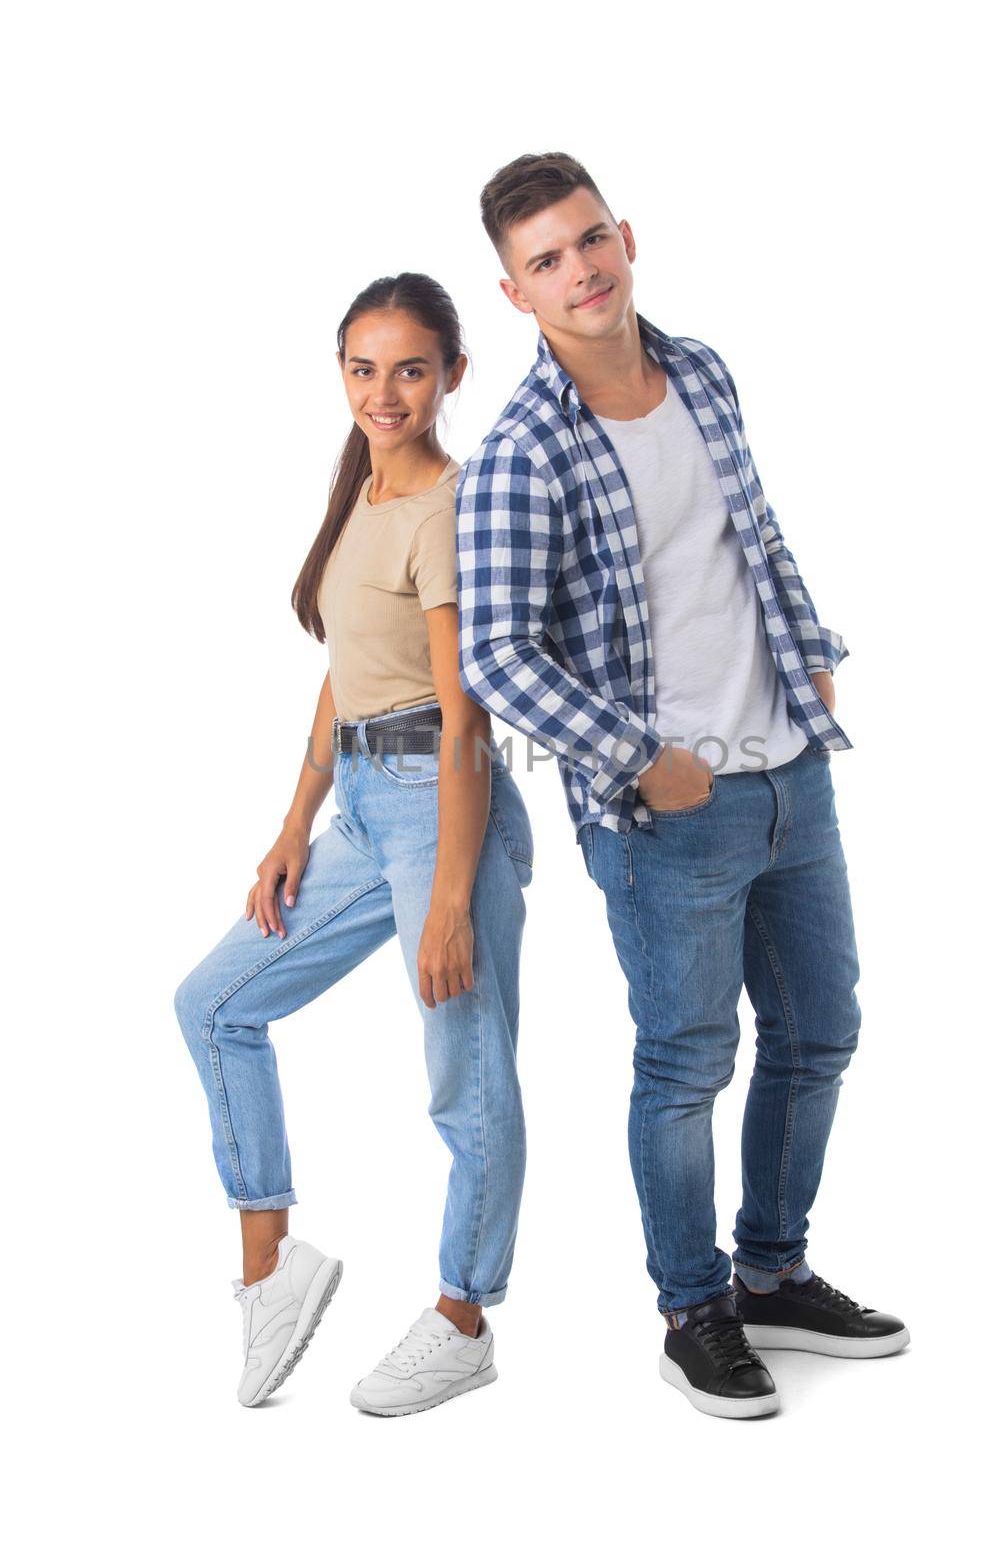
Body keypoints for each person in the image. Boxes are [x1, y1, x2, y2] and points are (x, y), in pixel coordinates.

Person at [456, 153, 908, 1421]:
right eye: (545, 259)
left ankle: (772, 1269)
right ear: (512, 290)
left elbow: (754, 533)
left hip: (790, 772)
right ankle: (691, 1308)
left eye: (589, 239)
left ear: (625, 235)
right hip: (665, 816)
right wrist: (630, 753)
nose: (579, 271)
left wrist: (812, 661)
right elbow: (494, 649)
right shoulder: (522, 451)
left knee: (821, 1032)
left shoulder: (700, 370)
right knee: (684, 1062)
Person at [175, 272, 533, 1416]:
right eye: (363, 367)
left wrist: (451, 898)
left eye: (410, 369)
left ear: (451, 377)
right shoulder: (362, 499)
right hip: (365, 810)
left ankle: (463, 1317)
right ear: (341, 372)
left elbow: (462, 710)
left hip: (445, 807)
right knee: (215, 1003)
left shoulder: (449, 508)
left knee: (465, 1083)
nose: (384, 391)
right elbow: (343, 684)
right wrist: (290, 826)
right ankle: (272, 1268)